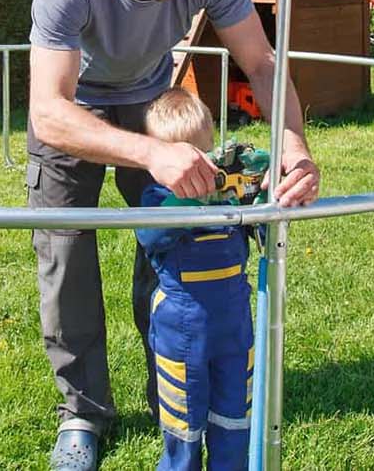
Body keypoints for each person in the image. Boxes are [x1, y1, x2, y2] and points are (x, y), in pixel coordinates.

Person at [26, 0, 320, 468]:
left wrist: (292, 144)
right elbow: (49, 111)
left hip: (151, 101)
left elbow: (262, 63)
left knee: (175, 246)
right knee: (66, 256)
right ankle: (82, 413)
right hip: (72, 109)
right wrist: (151, 155)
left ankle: (169, 386)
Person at [136, 88, 255, 470]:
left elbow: (259, 230)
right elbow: (152, 236)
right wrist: (190, 198)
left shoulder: (227, 194)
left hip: (235, 325)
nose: (197, 172)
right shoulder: (156, 200)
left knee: (234, 417)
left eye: (203, 156)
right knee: (183, 426)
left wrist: (256, 188)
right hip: (181, 330)